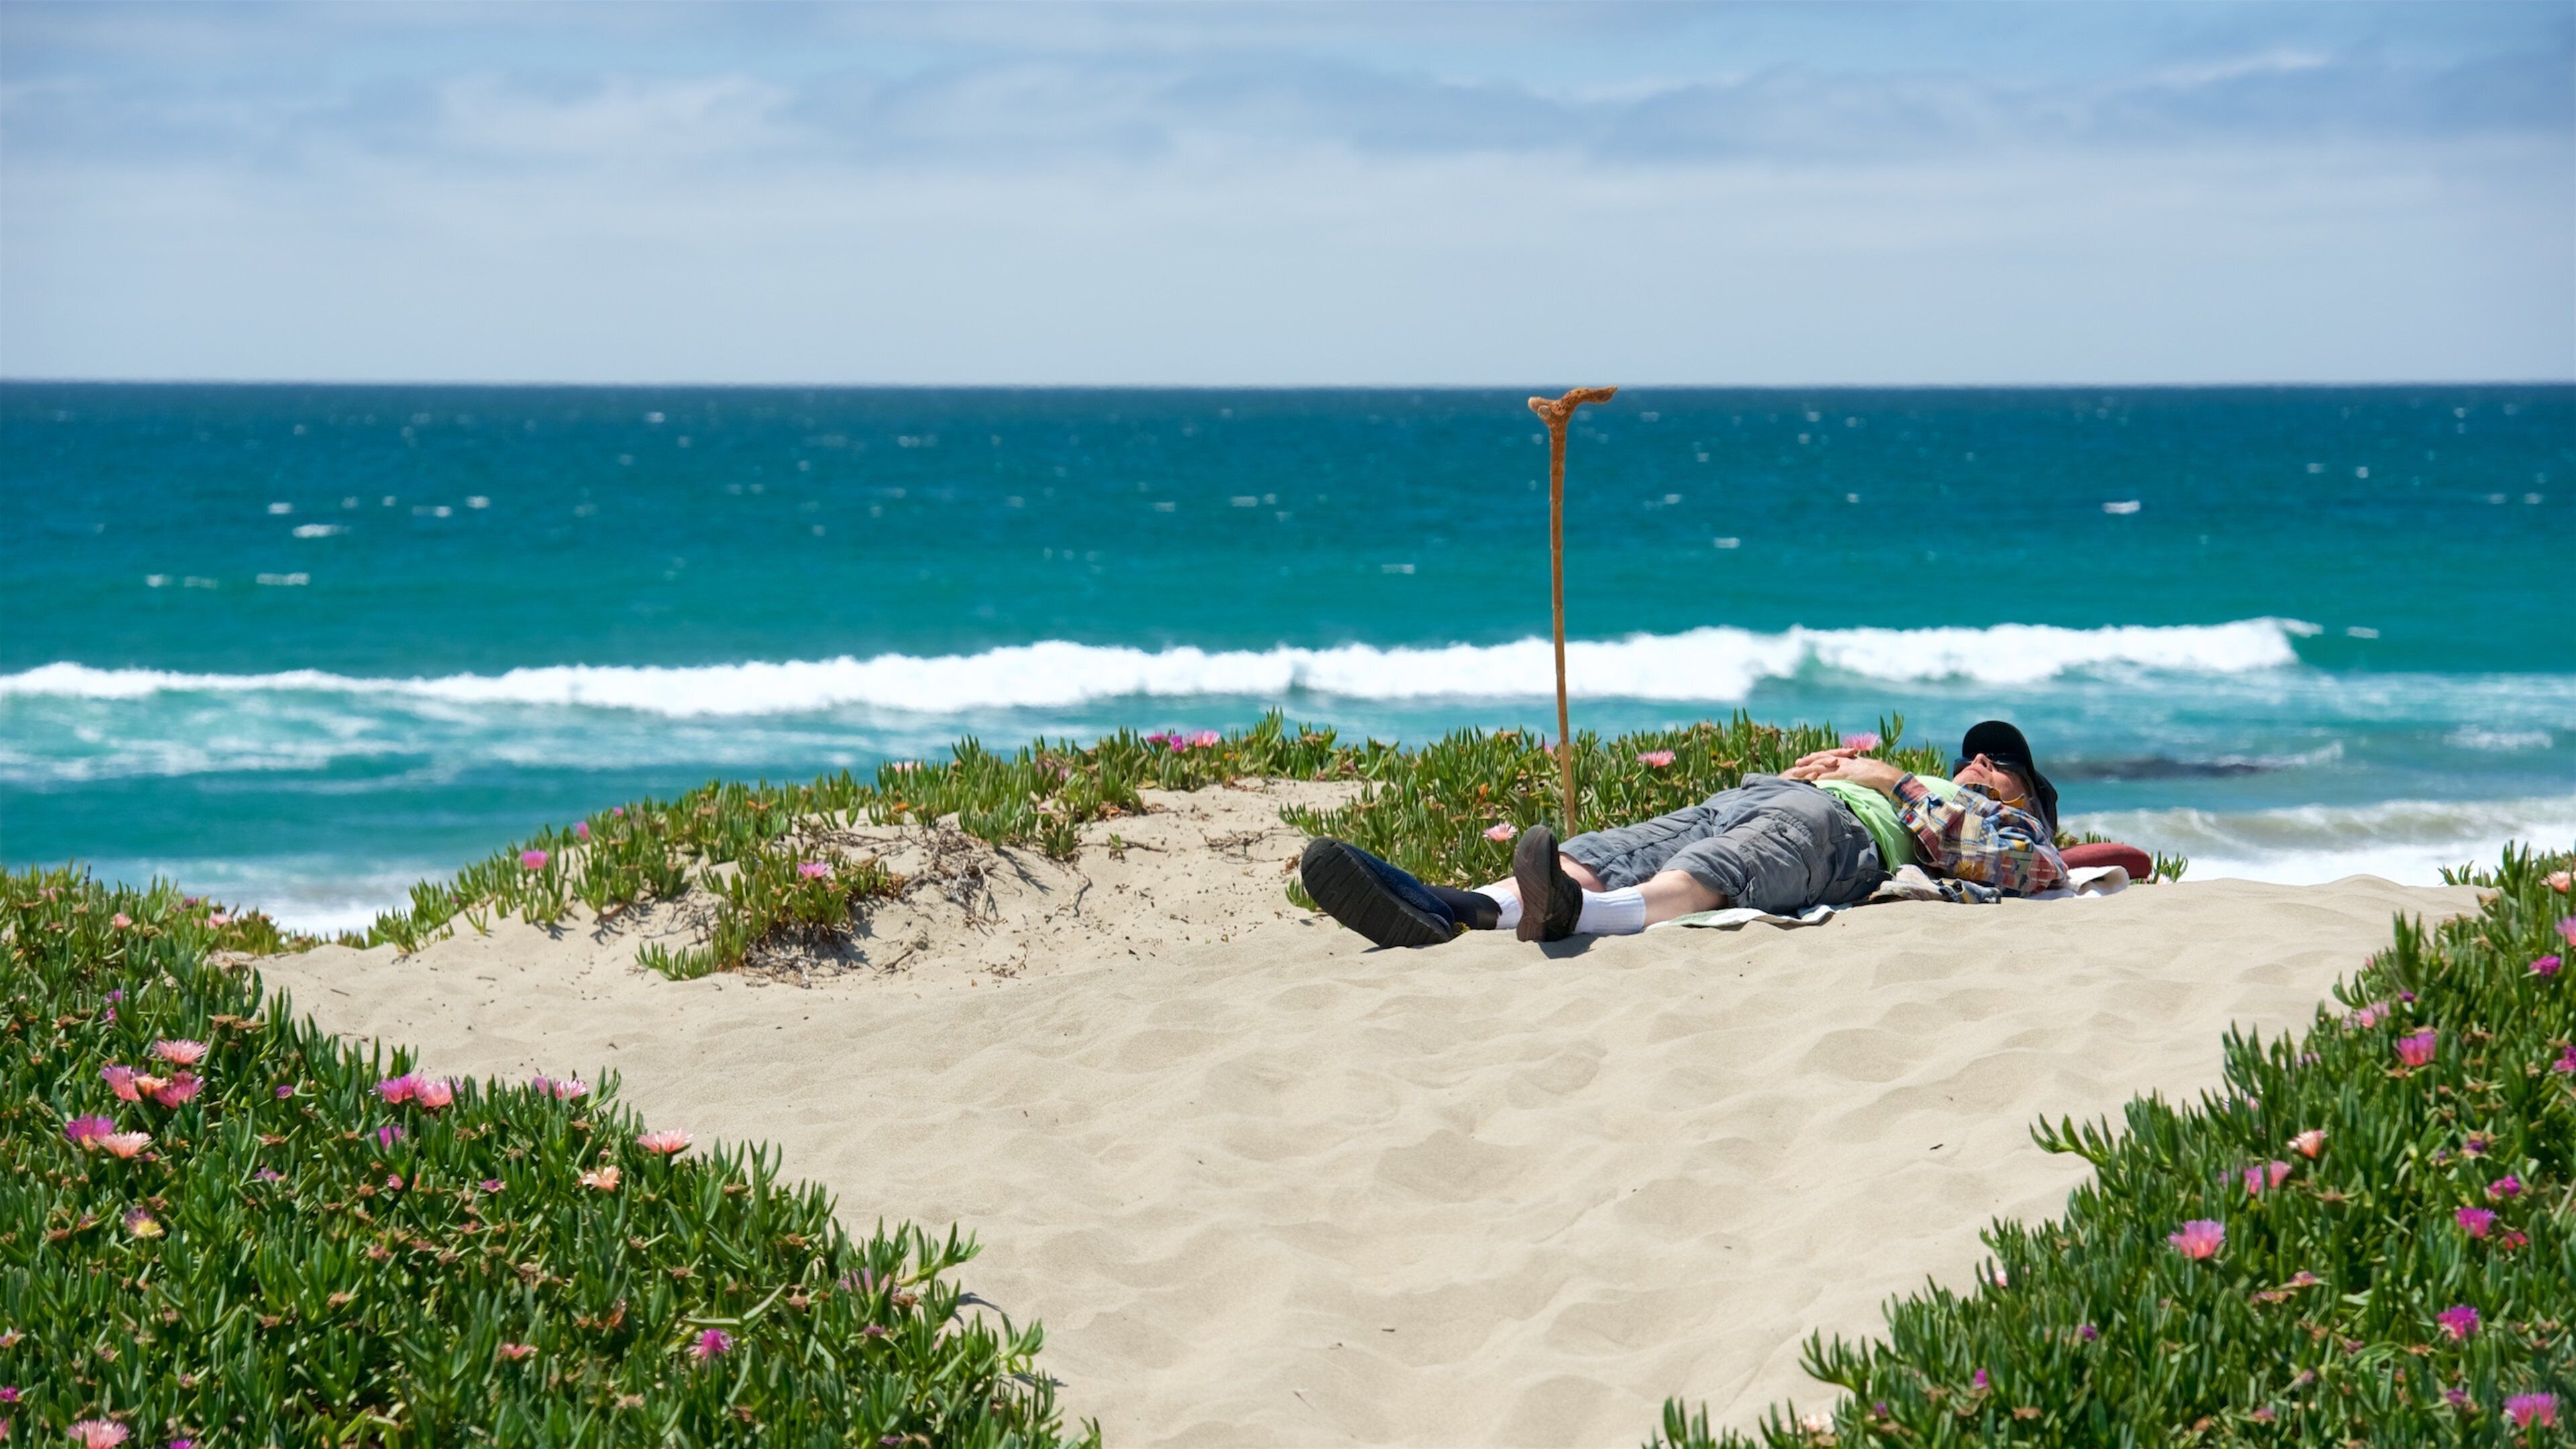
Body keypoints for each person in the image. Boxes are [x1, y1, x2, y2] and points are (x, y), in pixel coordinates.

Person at [1299, 719, 2068, 948]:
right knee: (1608, 849)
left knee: (1731, 861)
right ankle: (1450, 908)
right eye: (1971, 753)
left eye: (2002, 763)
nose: (1978, 761)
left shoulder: (2014, 826)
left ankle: (1581, 916)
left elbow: (2032, 872)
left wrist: (1883, 782)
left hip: (1838, 829)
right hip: (1769, 796)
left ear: (2030, 800)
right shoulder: (1923, 781)